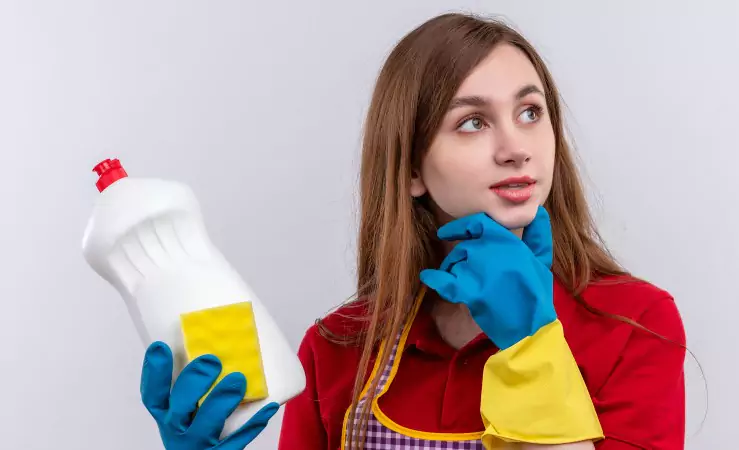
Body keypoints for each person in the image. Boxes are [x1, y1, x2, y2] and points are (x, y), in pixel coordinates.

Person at [138, 11, 686, 450]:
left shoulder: (632, 324)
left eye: (530, 112)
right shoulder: (340, 349)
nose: (516, 147)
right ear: (411, 170)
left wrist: (531, 346)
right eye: (472, 121)